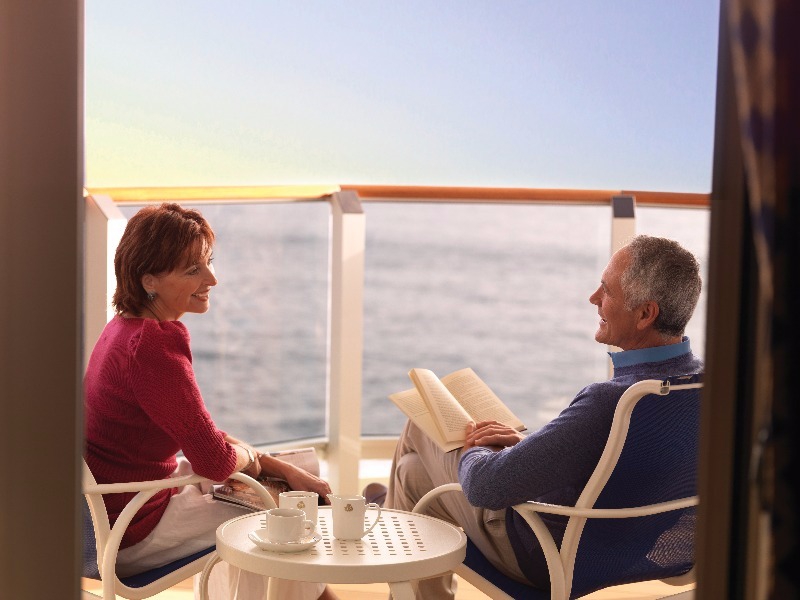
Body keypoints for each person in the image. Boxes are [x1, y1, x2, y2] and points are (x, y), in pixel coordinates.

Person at [383, 235, 704, 598]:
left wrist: (477, 445)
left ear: (645, 314)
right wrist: (524, 448)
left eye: (606, 289)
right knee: (412, 474)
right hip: (628, 549)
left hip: (547, 554)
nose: (593, 298)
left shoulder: (611, 402)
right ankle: (393, 502)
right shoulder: (706, 389)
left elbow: (484, 487)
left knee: (419, 430)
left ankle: (385, 512)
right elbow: (616, 464)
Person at [84, 203, 338, 600]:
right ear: (149, 279)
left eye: (208, 262)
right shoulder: (153, 345)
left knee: (299, 472)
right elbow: (215, 461)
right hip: (131, 525)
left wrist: (268, 463)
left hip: (124, 501)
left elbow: (192, 429)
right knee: (286, 511)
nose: (212, 279)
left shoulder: (123, 329)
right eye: (193, 270)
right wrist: (252, 458)